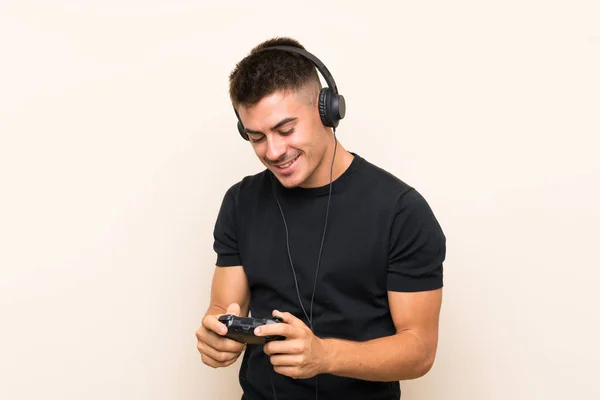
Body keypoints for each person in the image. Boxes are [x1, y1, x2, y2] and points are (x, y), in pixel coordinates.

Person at [196, 36, 446, 400]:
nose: (274, 151)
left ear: (327, 110)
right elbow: (223, 307)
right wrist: (217, 335)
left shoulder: (401, 210)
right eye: (256, 137)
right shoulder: (240, 201)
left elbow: (420, 350)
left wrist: (324, 356)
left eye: (285, 130)